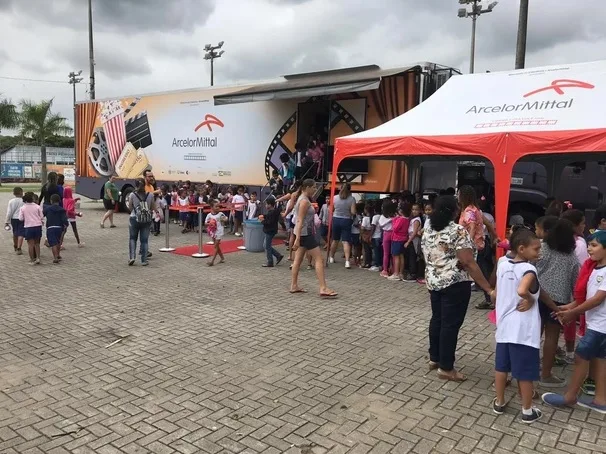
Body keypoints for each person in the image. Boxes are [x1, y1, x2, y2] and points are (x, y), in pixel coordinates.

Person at [421, 195, 494, 382]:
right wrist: (488, 288)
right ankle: (446, 368)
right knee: (450, 324)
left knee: (437, 319)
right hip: (455, 283)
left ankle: (434, 358)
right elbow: (468, 262)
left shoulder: (428, 228)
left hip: (434, 281)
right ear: (455, 211)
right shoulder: (457, 231)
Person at [492, 227, 559, 423]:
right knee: (525, 372)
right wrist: (529, 298)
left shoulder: (503, 263)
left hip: (504, 326)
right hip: (523, 330)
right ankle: (528, 410)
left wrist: (552, 306)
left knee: (501, 367)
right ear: (522, 249)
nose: (539, 252)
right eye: (536, 249)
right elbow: (523, 289)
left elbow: (497, 292)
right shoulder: (529, 269)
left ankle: (500, 401)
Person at [542, 230, 606, 414]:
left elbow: (597, 300)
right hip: (597, 324)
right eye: (589, 245)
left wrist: (573, 314)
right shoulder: (595, 268)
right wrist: (567, 308)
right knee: (600, 360)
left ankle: (570, 397)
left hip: (600, 326)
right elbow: (586, 298)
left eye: (594, 245)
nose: (589, 249)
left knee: (580, 356)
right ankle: (600, 400)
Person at [535, 218, 579, 387]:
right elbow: (576, 283)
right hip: (560, 302)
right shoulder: (571, 257)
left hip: (538, 297)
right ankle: (546, 375)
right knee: (552, 338)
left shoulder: (542, 249)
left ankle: (526, 370)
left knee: (533, 335)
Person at [290, 179, 337, 297]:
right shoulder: (304, 201)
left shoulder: (303, 199)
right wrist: (297, 238)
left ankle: (294, 285)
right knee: (319, 259)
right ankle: (323, 287)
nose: (315, 189)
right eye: (314, 187)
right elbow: (300, 219)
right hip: (305, 233)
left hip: (302, 233)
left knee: (298, 260)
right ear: (307, 187)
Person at [127, 178, 154, 266]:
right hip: (146, 220)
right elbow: (152, 207)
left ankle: (132, 257)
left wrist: (135, 212)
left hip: (134, 218)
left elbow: (130, 207)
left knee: (132, 238)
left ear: (135, 185)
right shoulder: (150, 195)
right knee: (144, 240)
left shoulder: (132, 195)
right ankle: (144, 260)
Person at [329, 183, 356, 269]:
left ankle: (331, 257)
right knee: (345, 241)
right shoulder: (352, 199)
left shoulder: (335, 198)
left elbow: (331, 209)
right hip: (346, 220)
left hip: (336, 219)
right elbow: (353, 212)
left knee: (335, 240)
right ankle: (347, 261)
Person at [19, 192, 44, 265]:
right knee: (37, 243)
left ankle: (32, 259)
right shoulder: (37, 206)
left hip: (28, 226)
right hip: (37, 226)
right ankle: (38, 258)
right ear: (32, 198)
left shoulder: (23, 208)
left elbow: (20, 218)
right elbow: (41, 216)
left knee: (30, 244)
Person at [43, 194, 69, 264]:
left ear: (51, 201)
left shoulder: (47, 209)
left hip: (50, 227)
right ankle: (58, 254)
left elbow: (42, 215)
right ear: (59, 201)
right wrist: (66, 225)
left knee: (53, 243)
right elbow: (64, 219)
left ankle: (55, 257)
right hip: (59, 228)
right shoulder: (62, 210)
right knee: (58, 242)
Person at [259, 198, 284, 267]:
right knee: (266, 245)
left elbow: (269, 222)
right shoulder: (274, 211)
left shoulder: (272, 213)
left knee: (267, 246)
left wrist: (262, 221)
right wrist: (264, 216)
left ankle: (270, 261)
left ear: (270, 205)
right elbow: (269, 217)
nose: (266, 206)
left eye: (267, 204)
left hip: (269, 231)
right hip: (271, 230)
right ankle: (278, 255)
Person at [389, 204, 410, 281]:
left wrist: (394, 219)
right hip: (403, 238)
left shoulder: (401, 219)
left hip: (397, 239)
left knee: (396, 256)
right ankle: (400, 273)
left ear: (401, 211)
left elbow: (395, 228)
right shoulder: (407, 219)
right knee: (401, 256)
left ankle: (396, 273)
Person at [205, 200, 228, 266]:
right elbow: (205, 223)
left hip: (219, 231)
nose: (218, 207)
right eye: (216, 206)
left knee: (215, 246)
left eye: (218, 206)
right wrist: (210, 223)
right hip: (213, 232)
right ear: (212, 207)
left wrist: (224, 219)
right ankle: (222, 258)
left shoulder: (220, 214)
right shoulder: (209, 215)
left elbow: (226, 218)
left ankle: (212, 261)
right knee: (217, 246)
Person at [403, 203, 422, 282]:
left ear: (420, 211)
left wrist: (408, 241)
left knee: (412, 257)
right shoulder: (413, 219)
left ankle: (413, 274)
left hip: (413, 240)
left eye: (416, 210)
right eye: (413, 209)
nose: (414, 211)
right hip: (411, 238)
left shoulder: (416, 220)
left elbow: (414, 232)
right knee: (410, 256)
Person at [379, 200, 396, 277]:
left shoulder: (383, 216)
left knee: (387, 253)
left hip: (387, 234)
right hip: (392, 234)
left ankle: (387, 270)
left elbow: (381, 225)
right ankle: (390, 270)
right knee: (391, 254)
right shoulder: (395, 216)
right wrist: (391, 220)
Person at [5, 186, 24, 255]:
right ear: (21, 192)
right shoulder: (23, 201)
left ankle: (15, 245)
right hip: (22, 219)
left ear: (14, 193)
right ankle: (19, 247)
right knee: (21, 233)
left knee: (15, 233)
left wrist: (7, 221)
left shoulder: (11, 201)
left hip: (14, 219)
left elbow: (9, 212)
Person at [369, 200, 382, 272]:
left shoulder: (375, 217)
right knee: (380, 251)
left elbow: (373, 227)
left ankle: (377, 265)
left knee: (376, 251)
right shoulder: (382, 216)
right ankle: (380, 264)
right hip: (381, 236)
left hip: (375, 236)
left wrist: (370, 235)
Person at [361, 203, 374, 268]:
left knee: (365, 250)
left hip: (365, 234)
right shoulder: (373, 217)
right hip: (371, 234)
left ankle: (366, 262)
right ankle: (370, 262)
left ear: (366, 210)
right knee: (370, 249)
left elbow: (362, 228)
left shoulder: (365, 218)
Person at [351, 202, 364, 267]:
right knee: (359, 247)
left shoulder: (355, 215)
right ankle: (358, 260)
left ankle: (355, 260)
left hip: (354, 232)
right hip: (359, 233)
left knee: (355, 247)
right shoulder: (360, 216)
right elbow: (360, 224)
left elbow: (357, 224)